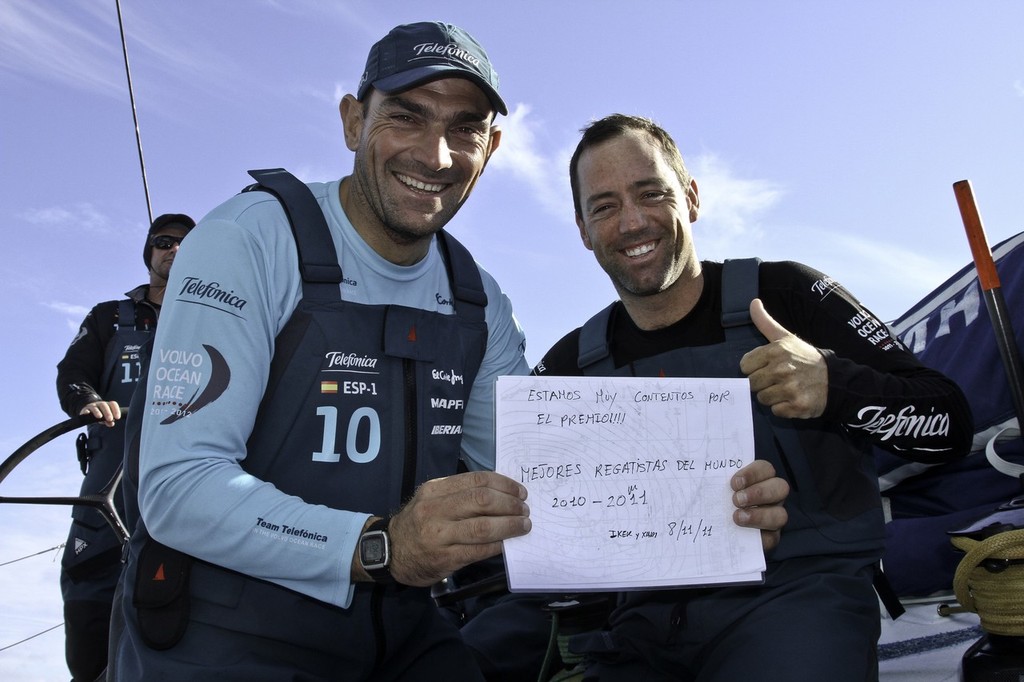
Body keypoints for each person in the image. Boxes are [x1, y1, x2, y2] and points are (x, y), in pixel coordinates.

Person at [108, 25, 787, 681]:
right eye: (406, 116)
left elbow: (548, 487)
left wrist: (704, 516)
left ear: (490, 149)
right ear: (352, 122)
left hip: (398, 630)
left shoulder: (477, 299)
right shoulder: (249, 239)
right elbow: (175, 490)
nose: (435, 155)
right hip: (223, 634)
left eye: (464, 128)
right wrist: (382, 545)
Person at [529, 114, 975, 681]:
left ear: (691, 197)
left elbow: (950, 422)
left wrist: (835, 386)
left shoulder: (788, 296)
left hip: (799, 602)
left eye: (651, 193)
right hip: (638, 630)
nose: (633, 221)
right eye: (605, 206)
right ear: (583, 228)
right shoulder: (568, 368)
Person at [55, 212, 194, 682]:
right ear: (149, 253)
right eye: (163, 242)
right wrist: (89, 400)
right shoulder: (109, 318)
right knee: (88, 594)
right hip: (107, 485)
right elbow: (72, 375)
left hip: (188, 484)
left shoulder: (215, 319)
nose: (173, 249)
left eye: (183, 243)